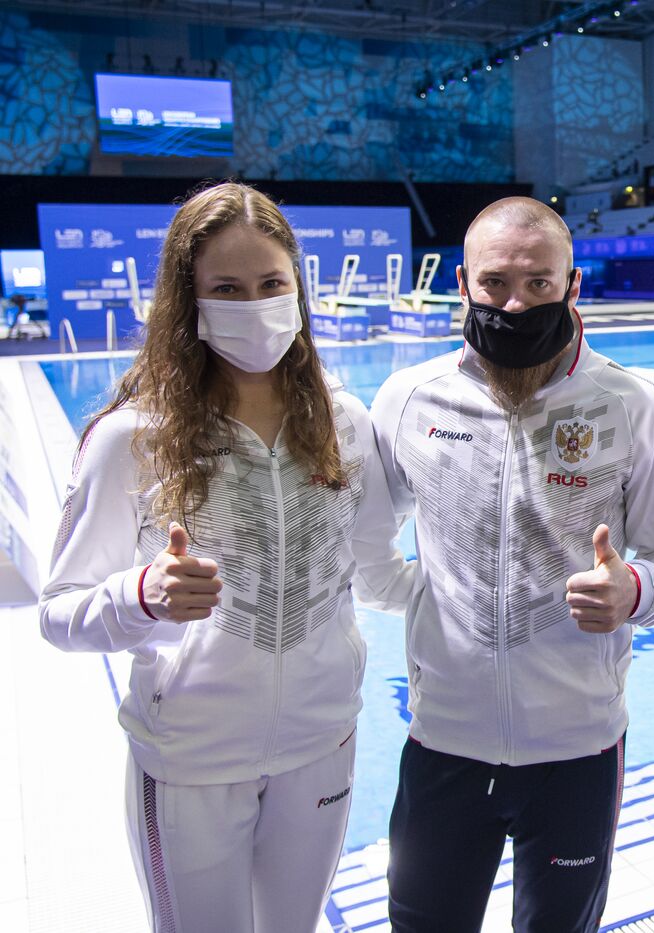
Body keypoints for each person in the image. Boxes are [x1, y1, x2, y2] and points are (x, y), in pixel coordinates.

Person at [39, 182, 416, 932]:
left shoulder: (345, 422)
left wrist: (494, 586)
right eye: (227, 288)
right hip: (191, 763)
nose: (255, 303)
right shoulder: (133, 438)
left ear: (298, 289)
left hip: (322, 743)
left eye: (272, 284)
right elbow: (58, 613)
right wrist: (141, 595)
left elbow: (377, 573)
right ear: (191, 301)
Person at [371, 197, 654, 932]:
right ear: (463, 282)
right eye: (495, 284)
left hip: (578, 747)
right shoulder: (410, 398)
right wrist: (429, 600)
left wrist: (634, 589)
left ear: (573, 285)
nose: (516, 303)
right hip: (444, 740)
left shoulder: (629, 403)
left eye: (539, 284)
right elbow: (363, 547)